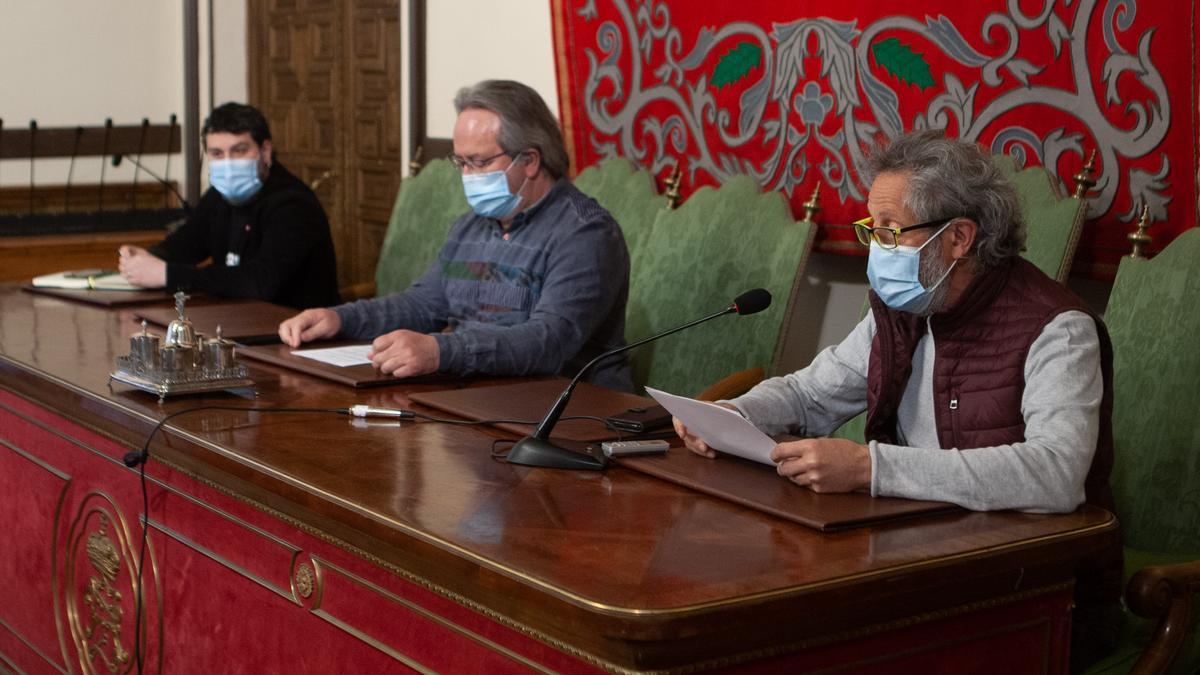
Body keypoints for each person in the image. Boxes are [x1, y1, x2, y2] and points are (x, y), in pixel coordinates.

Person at [674, 130, 1122, 670]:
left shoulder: (1057, 328)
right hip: (912, 557)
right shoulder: (903, 307)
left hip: (1033, 590)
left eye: (891, 230)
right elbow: (811, 393)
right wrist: (735, 414)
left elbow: (1056, 474)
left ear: (958, 238)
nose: (876, 248)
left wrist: (871, 468)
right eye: (872, 229)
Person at [278, 80, 631, 390]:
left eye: (479, 163)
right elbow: (423, 305)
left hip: (570, 411)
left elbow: (547, 342)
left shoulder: (585, 234)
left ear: (531, 160)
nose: (468, 176)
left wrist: (440, 351)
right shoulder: (471, 227)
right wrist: (339, 319)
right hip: (477, 398)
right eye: (461, 163)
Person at [118, 102, 340, 310]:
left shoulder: (293, 204)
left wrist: (169, 275)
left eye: (239, 151)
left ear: (265, 151)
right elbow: (186, 244)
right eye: (217, 154)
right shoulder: (219, 196)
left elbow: (260, 282)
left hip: (294, 332)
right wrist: (146, 258)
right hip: (238, 322)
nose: (228, 163)